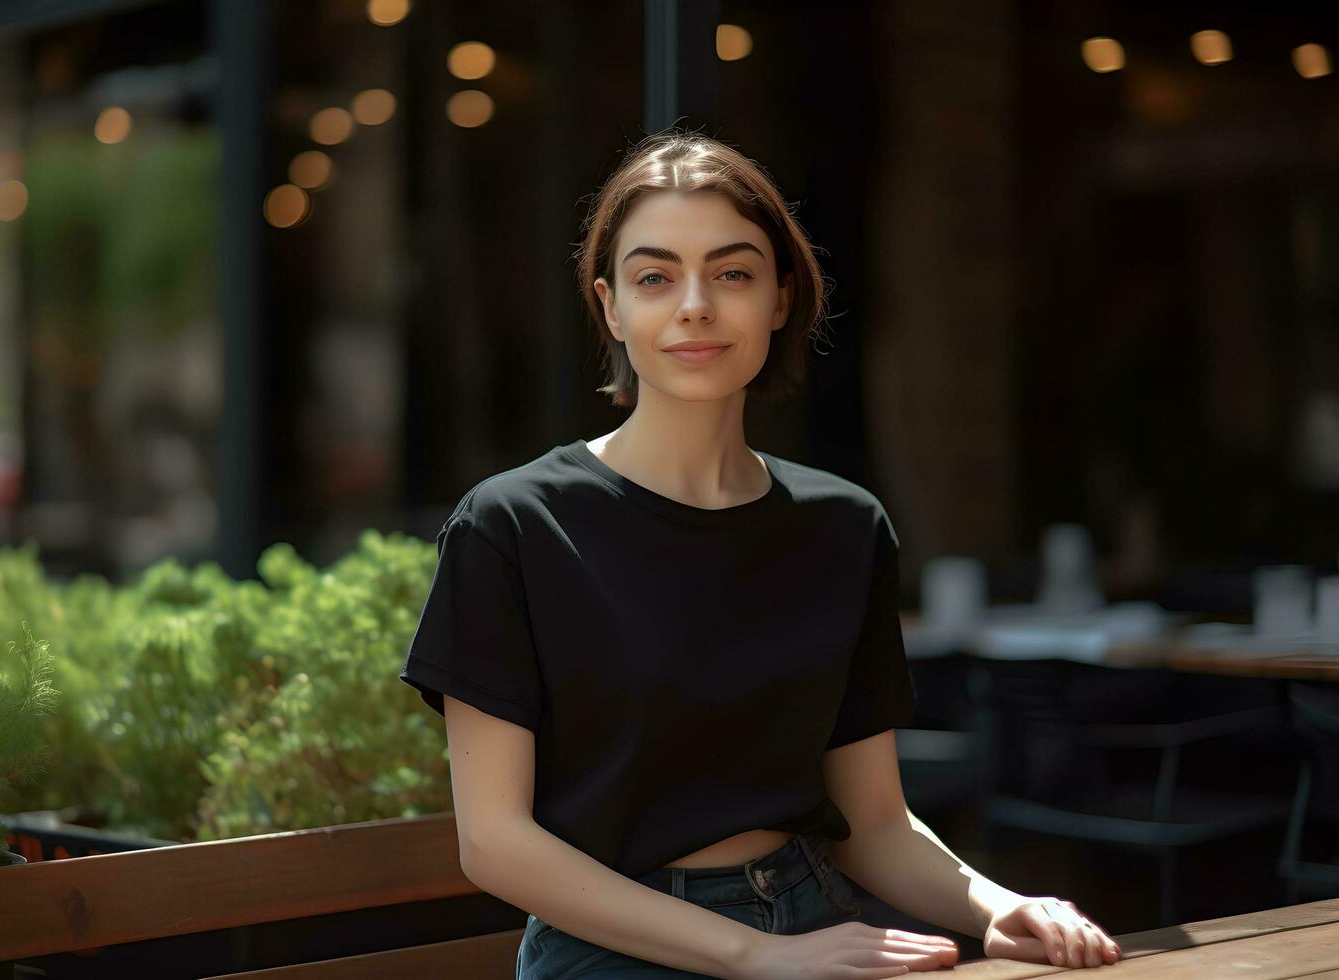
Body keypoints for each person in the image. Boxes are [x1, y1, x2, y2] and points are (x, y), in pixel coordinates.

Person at [398, 129, 1123, 979]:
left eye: (733, 273)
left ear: (780, 297)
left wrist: (1001, 907)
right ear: (611, 307)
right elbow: (495, 844)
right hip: (613, 950)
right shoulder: (514, 525)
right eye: (655, 277)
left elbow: (878, 825)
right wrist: (751, 955)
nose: (695, 304)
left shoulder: (842, 527)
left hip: (817, 922)